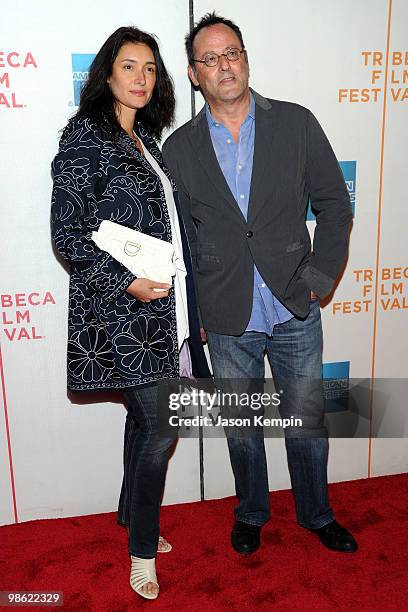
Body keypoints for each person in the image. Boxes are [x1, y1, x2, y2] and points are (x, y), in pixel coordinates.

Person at [163, 13, 358, 556]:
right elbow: (179, 242)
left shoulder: (295, 122)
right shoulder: (178, 149)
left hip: (294, 303)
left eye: (233, 53)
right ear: (194, 75)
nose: (224, 65)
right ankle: (251, 511)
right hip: (226, 314)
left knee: (306, 424)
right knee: (242, 430)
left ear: (245, 58)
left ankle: (317, 514)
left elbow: (335, 204)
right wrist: (191, 312)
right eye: (210, 59)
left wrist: (321, 276)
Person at [51, 26, 210, 600]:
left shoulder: (145, 137)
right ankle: (143, 550)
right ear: (106, 74)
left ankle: (129, 517)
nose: (140, 79)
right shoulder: (84, 138)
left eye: (149, 69)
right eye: (128, 67)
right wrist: (128, 283)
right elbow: (68, 236)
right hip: (120, 314)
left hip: (160, 315)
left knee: (144, 422)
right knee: (160, 425)